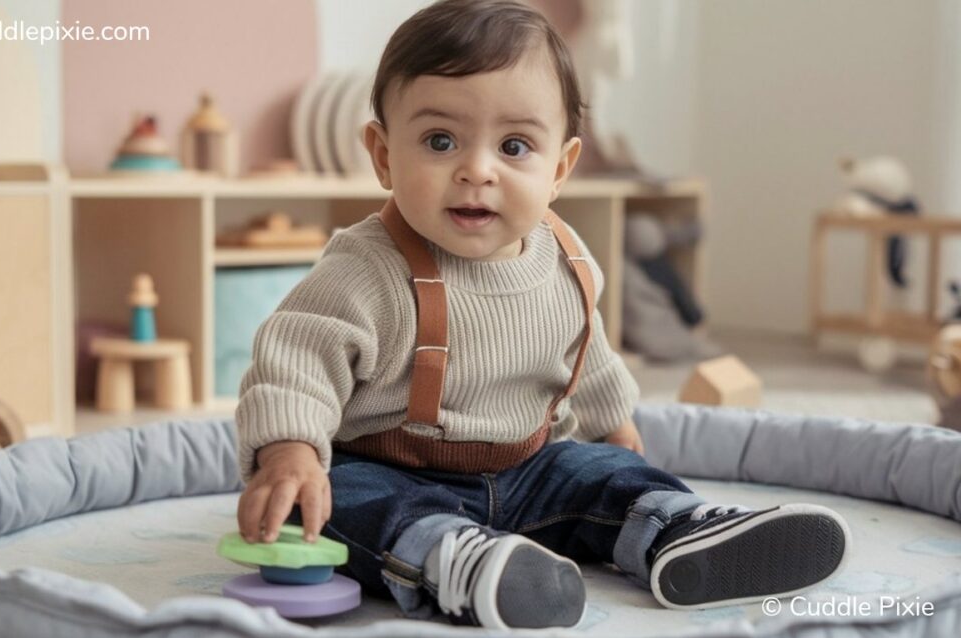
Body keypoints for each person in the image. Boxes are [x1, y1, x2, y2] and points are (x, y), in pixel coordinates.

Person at [235, 0, 850, 629]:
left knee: (605, 474)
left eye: (514, 145)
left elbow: (588, 349)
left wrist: (615, 427)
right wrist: (290, 452)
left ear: (559, 168)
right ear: (384, 154)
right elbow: (295, 361)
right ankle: (454, 560)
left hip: (529, 471)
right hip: (394, 472)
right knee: (339, 501)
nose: (477, 169)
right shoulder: (363, 269)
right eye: (440, 141)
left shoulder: (568, 260)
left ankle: (675, 532)